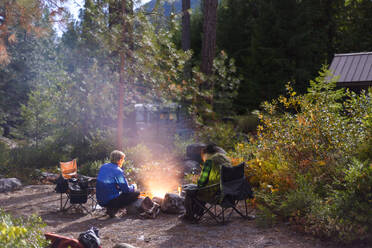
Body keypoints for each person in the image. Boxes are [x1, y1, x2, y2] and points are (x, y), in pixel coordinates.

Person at [181, 143, 232, 221]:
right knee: (201, 190)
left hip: (216, 193)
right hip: (229, 191)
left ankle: (189, 216)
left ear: (205, 153)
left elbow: (202, 182)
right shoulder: (225, 159)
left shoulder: (209, 161)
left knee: (190, 191)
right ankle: (198, 213)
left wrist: (197, 181)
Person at [96, 150, 140, 218]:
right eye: (123, 159)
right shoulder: (118, 170)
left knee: (116, 191)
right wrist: (134, 186)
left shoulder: (104, 166)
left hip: (100, 201)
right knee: (136, 192)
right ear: (119, 160)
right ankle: (113, 209)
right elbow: (126, 190)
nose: (123, 161)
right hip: (111, 202)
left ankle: (111, 208)